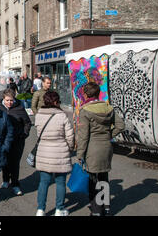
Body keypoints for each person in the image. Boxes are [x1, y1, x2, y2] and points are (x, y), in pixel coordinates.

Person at [76, 82, 125, 216]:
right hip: (106, 146)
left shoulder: (85, 111)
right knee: (104, 177)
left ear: (86, 94)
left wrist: (79, 154)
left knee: (93, 180)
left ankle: (96, 210)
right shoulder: (108, 107)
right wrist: (109, 134)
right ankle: (106, 207)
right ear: (98, 93)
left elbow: (83, 136)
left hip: (92, 148)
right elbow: (120, 125)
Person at [34, 91, 74, 216]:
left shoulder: (39, 115)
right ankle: (59, 209)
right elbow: (70, 136)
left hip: (44, 150)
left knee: (43, 182)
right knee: (60, 182)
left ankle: (40, 209)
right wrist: (71, 147)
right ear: (56, 102)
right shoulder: (62, 115)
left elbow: (38, 133)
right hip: (60, 151)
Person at [0, 89, 31, 196]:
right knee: (5, 161)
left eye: (11, 100)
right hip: (3, 140)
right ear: (3, 99)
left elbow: (27, 122)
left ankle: (15, 184)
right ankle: (5, 180)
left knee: (15, 163)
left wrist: (24, 134)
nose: (9, 103)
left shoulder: (20, 108)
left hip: (17, 140)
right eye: (7, 100)